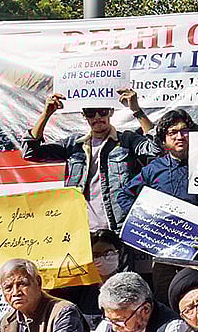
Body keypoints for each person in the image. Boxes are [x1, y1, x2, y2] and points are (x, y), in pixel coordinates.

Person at [117, 109, 198, 302]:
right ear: (163, 139)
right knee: (166, 303)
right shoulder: (153, 169)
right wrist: (145, 223)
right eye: (172, 132)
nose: (180, 136)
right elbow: (124, 196)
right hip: (164, 256)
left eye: (184, 131)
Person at [22, 89, 159, 234]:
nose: (97, 117)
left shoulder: (127, 140)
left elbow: (156, 148)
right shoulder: (73, 144)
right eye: (91, 112)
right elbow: (30, 153)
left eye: (102, 111)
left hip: (120, 229)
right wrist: (46, 114)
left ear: (111, 111)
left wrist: (136, 110)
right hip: (82, 229)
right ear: (84, 115)